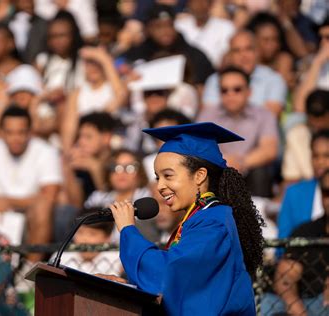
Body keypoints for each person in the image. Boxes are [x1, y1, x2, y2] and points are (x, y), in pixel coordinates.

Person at [107, 122, 264, 315]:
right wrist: (125, 286)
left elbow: (170, 274)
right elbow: (187, 288)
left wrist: (128, 230)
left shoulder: (214, 222)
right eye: (158, 178)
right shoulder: (199, 219)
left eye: (168, 176)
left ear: (199, 176)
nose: (160, 186)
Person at [0, 106, 62, 260]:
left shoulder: (46, 151)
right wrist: (1, 203)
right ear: (1, 132)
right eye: (10, 132)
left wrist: (7, 202)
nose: (16, 138)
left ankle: (30, 274)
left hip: (31, 218)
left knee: (43, 207)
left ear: (30, 132)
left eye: (21, 132)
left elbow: (49, 195)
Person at [198, 66, 279, 198]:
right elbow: (199, 147)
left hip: (250, 171)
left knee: (260, 172)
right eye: (225, 90)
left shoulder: (264, 114)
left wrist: (241, 162)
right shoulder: (207, 114)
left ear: (249, 91)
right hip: (217, 170)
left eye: (237, 89)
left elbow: (270, 150)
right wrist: (223, 161)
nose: (231, 95)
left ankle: (259, 214)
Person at [262, 169, 329, 315]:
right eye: (326, 192)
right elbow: (286, 276)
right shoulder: (306, 232)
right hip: (308, 303)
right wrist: (295, 305)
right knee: (269, 303)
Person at [203, 30, 287, 117]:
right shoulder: (214, 80)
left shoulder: (274, 79)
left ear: (257, 52)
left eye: (248, 49)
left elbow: (271, 115)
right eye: (237, 51)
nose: (243, 55)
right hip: (222, 130)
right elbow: (209, 115)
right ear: (230, 56)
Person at [278, 129, 329, 239]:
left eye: (326, 156)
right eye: (315, 156)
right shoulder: (294, 193)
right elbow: (283, 241)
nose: (320, 162)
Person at [51, 207, 122, 276]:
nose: (85, 239)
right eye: (80, 232)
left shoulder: (119, 260)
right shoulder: (62, 256)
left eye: (92, 234)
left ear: (107, 237)